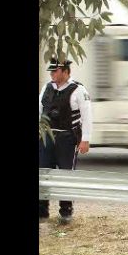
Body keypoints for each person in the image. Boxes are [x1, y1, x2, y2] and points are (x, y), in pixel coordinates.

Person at [39, 59, 92, 224]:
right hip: (46, 138)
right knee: (43, 174)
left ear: (65, 71)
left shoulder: (78, 90)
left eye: (55, 71)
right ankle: (42, 212)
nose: (52, 74)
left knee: (65, 175)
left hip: (67, 138)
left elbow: (87, 116)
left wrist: (85, 140)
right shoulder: (47, 87)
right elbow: (40, 110)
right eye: (51, 71)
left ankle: (65, 212)